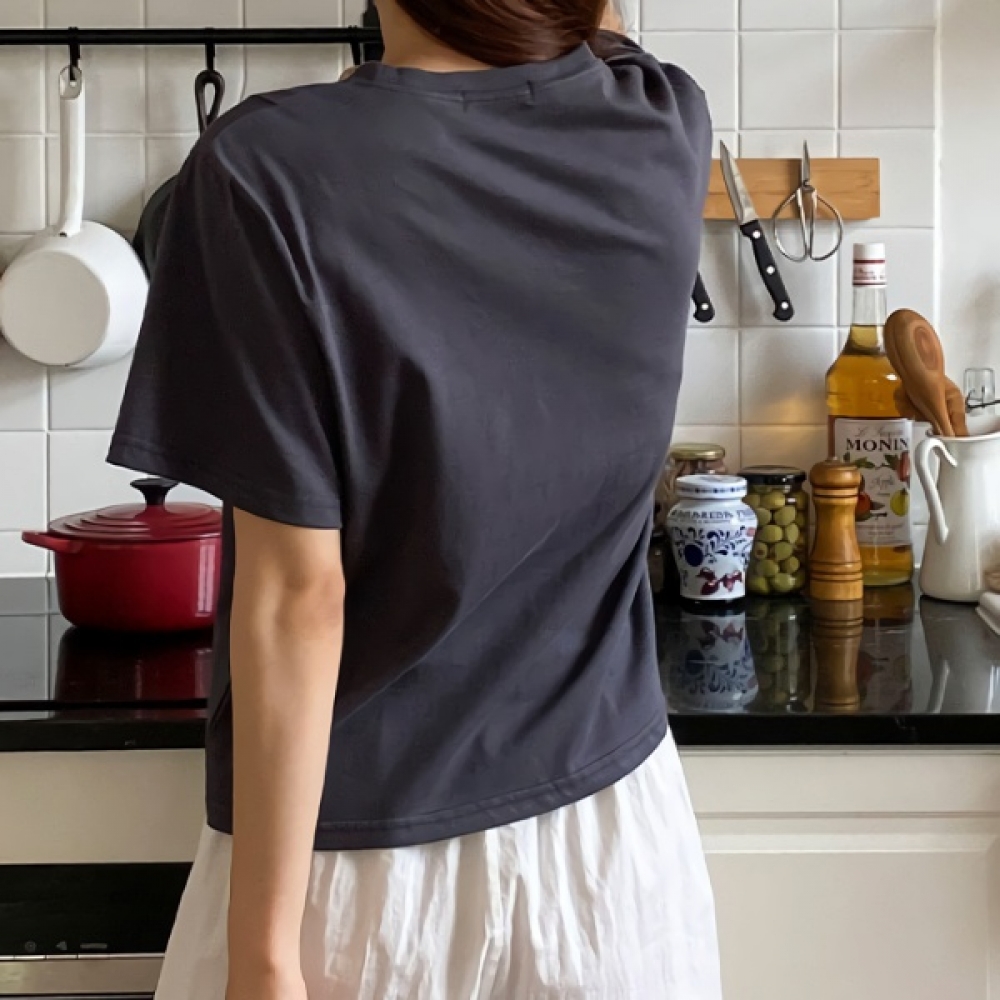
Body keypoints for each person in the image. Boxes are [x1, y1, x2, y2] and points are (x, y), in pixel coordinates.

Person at [108, 0, 720, 995]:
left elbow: (297, 599)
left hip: (360, 880)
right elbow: (595, 31)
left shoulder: (269, 169)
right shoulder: (664, 116)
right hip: (619, 855)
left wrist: (264, 957)